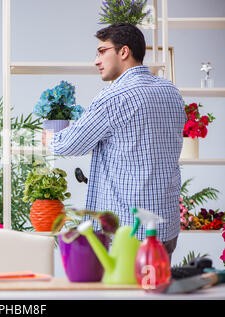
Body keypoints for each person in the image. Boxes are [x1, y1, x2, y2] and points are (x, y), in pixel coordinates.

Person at [43, 23, 186, 261]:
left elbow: (69, 144)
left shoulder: (114, 97)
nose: (96, 60)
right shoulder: (170, 91)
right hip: (164, 227)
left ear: (124, 52)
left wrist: (50, 138)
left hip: (128, 231)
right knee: (156, 292)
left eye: (102, 51)